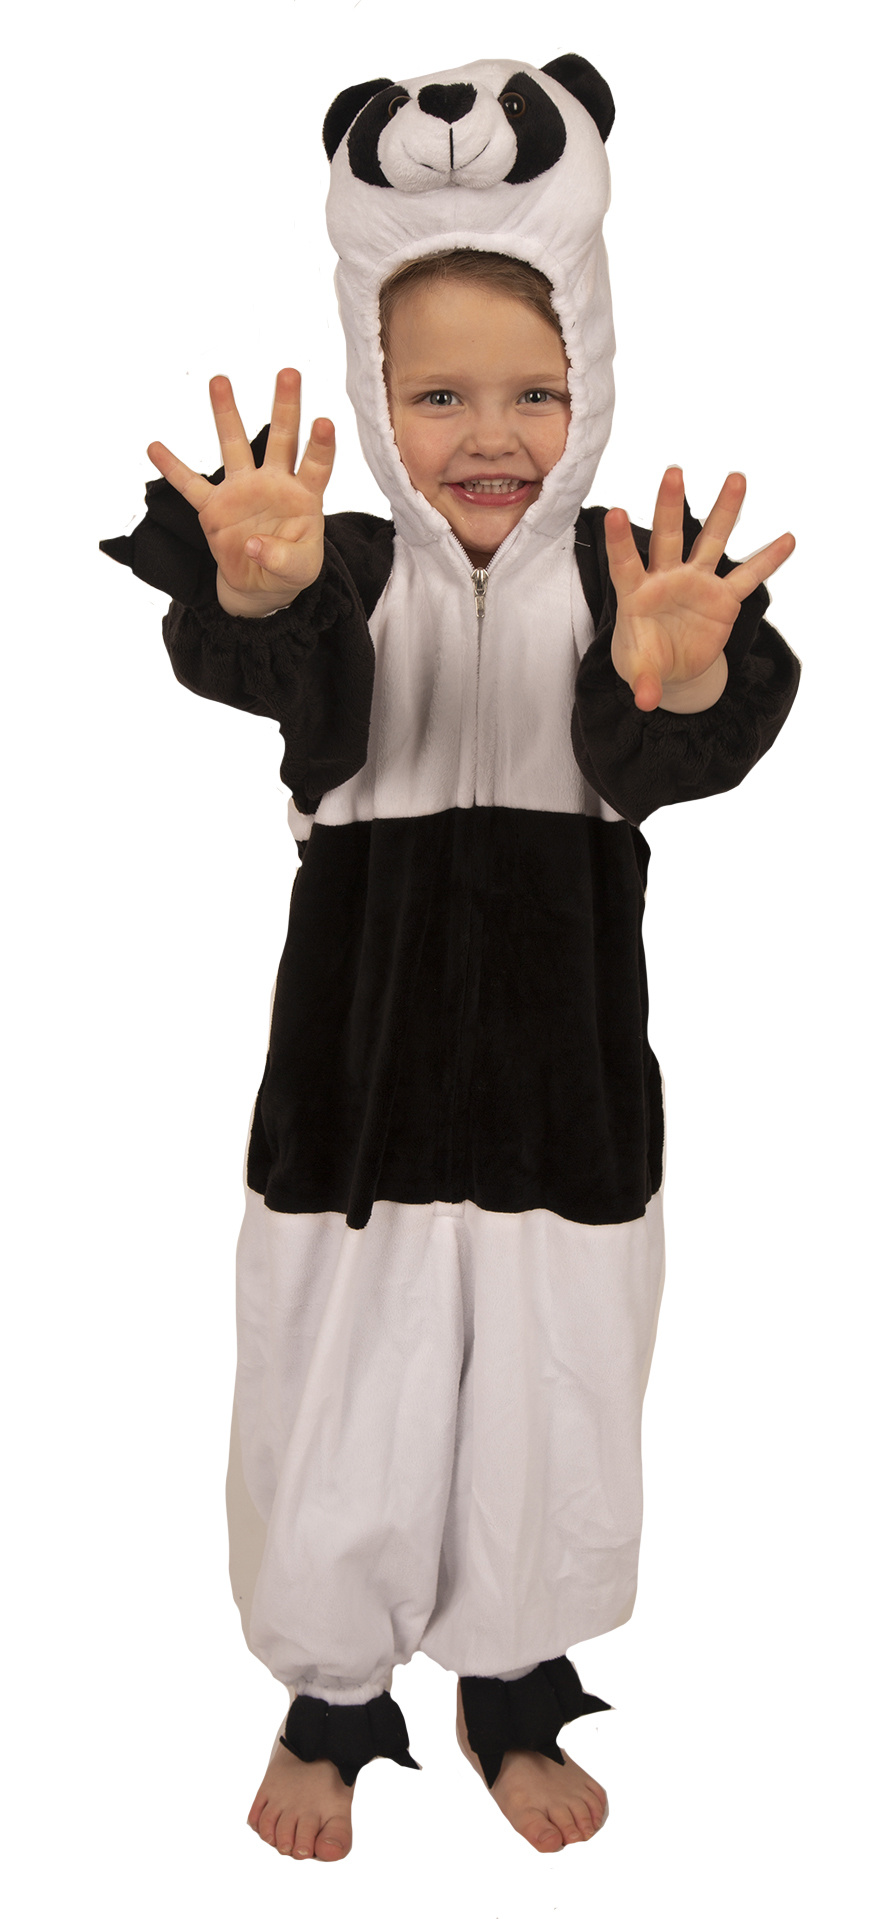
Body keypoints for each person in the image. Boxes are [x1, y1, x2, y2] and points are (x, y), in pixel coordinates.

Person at [100, 55, 800, 1865]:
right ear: (368, 390)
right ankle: (334, 1690)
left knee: (556, 1387)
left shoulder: (636, 582)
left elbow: (673, 755)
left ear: (592, 382)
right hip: (357, 1085)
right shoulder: (336, 570)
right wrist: (258, 594)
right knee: (338, 1381)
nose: (490, 434)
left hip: (567, 1086)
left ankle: (512, 1674)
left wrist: (677, 675)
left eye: (532, 391)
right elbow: (270, 677)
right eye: (435, 396)